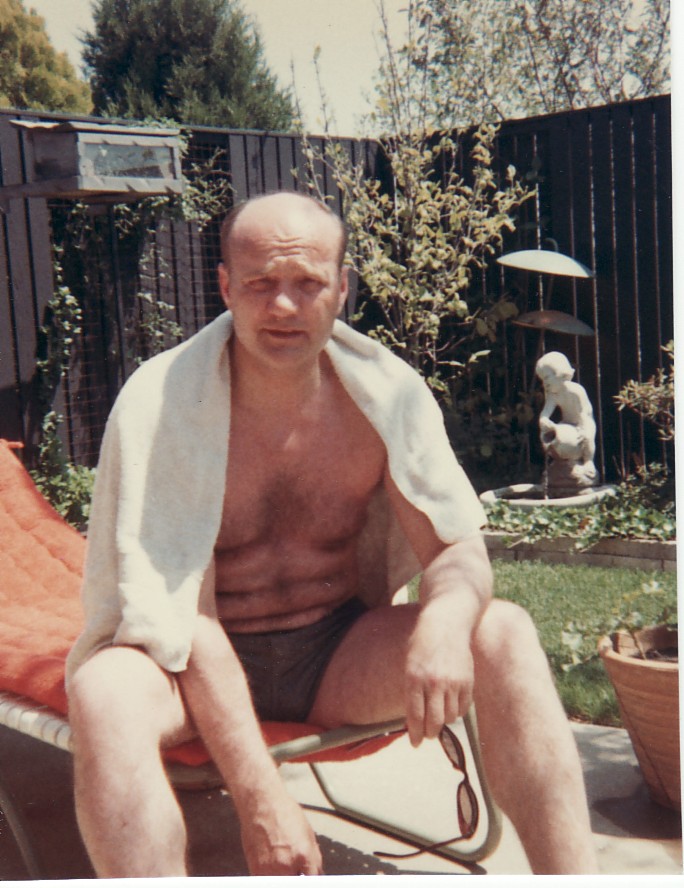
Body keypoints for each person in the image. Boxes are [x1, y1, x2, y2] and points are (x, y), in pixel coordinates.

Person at [66, 191, 598, 877]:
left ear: (342, 287)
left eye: (308, 283)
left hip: (333, 653)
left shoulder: (384, 393)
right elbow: (184, 618)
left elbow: (455, 547)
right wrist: (262, 796)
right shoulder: (161, 401)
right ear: (225, 286)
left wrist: (443, 622)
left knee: (504, 633)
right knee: (103, 693)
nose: (283, 306)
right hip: (185, 666)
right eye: (260, 283)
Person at [536, 351, 599, 493]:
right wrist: (544, 421)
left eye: (547, 378)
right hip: (567, 424)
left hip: (584, 422)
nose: (544, 383)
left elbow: (584, 412)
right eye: (542, 379)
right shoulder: (553, 395)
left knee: (588, 437)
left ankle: (589, 462)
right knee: (556, 438)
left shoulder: (576, 390)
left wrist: (584, 428)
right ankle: (562, 464)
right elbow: (545, 413)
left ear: (560, 373)